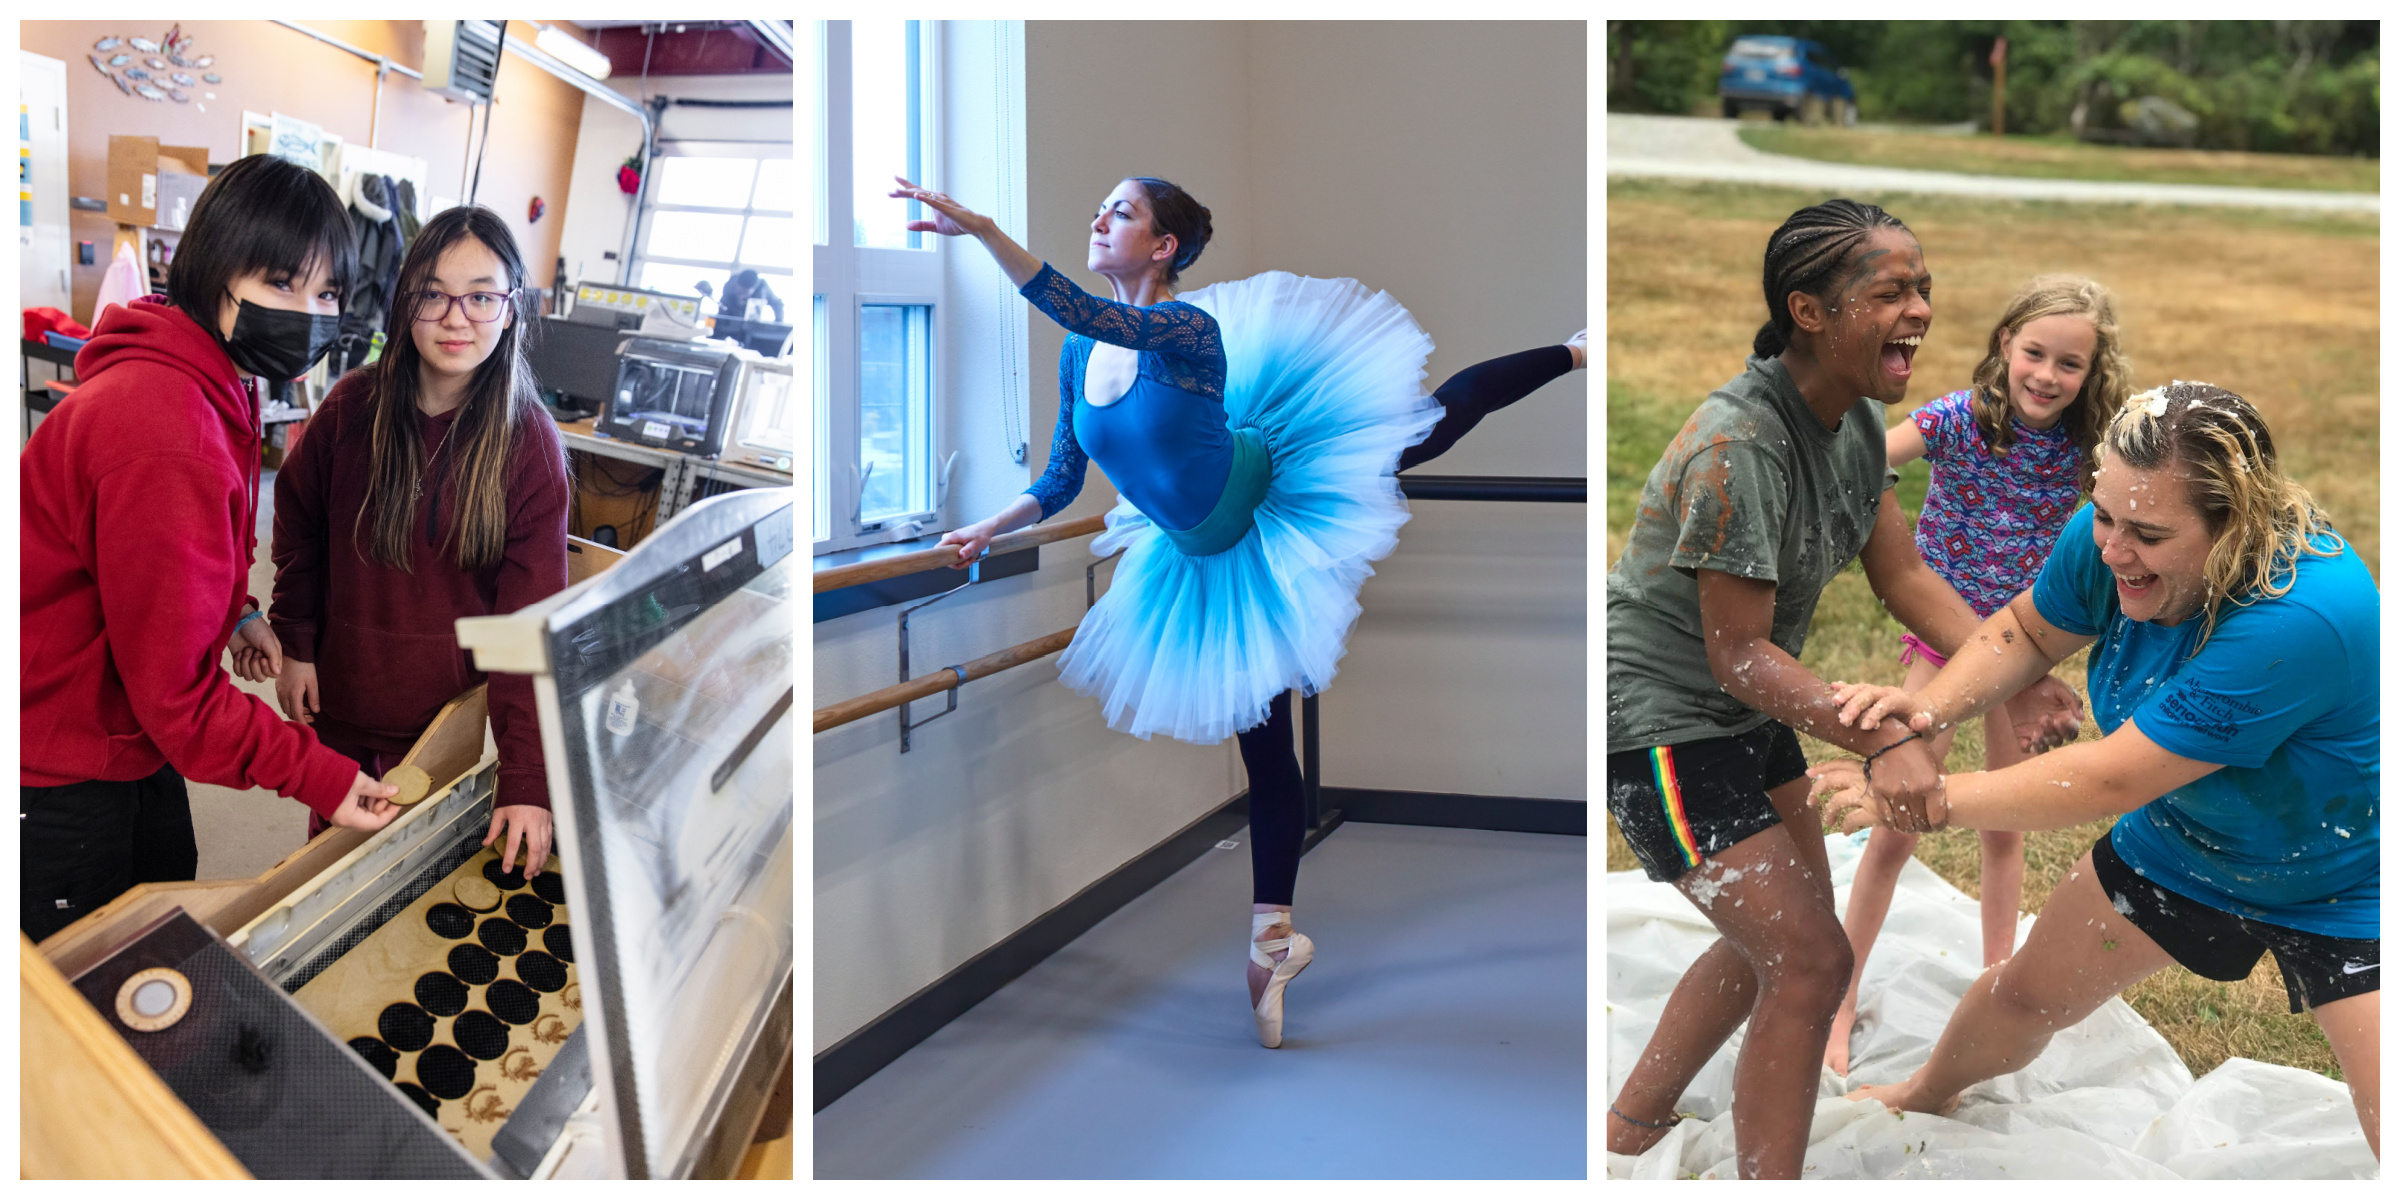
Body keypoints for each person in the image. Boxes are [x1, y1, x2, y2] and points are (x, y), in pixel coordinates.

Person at [893, 173, 1585, 1050]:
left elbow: (1090, 310)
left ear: (1162, 248)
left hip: (1270, 497)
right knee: (1264, 742)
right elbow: (1065, 476)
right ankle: (1275, 945)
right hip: (1195, 553)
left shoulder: (1184, 330)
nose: (1101, 216)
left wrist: (987, 230)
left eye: (1124, 211)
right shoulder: (1077, 355)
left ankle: (1571, 353)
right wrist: (995, 524)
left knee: (1435, 417)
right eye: (1104, 206)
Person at [1601, 199, 2084, 1178]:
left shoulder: (1854, 417)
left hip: (1748, 713)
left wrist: (2016, 679)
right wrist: (1875, 733)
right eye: (1891, 291)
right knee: (1813, 960)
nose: (1919, 310)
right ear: (1808, 311)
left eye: (1924, 289)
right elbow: (1736, 652)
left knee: (1779, 947)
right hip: (1658, 728)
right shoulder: (1740, 446)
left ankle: (1632, 1123)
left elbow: (1902, 577)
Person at [1811, 381, 2379, 1161]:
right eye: (2103, 513)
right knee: (2022, 997)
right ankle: (1925, 1092)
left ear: (2235, 520)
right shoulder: (2109, 533)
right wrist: (1927, 712)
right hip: (2189, 843)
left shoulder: (2304, 616)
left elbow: (2114, 779)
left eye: (2145, 532)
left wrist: (1927, 801)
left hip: (2352, 876)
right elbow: (2026, 633)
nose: (2111, 547)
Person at [21, 154, 402, 942]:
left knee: (164, 919)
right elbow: (182, 703)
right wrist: (324, 779)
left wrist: (236, 613)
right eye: (279, 284)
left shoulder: (211, 374)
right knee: (86, 992)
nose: (307, 312)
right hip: (58, 760)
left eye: (326, 293)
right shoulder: (166, 429)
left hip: (124, 727)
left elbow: (168, 556)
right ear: (211, 269)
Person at [1822, 274, 2133, 1075]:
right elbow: (1863, 458)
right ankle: (1840, 993)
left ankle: (1999, 982)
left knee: (2006, 825)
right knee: (1897, 820)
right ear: (2006, 344)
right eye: (2035, 353)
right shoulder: (1963, 418)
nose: (2047, 376)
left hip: (2026, 659)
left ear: (2090, 373)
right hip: (1944, 647)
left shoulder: (2086, 450)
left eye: (2069, 364)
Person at [262, 205, 571, 877]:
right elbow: (299, 534)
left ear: (512, 308)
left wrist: (526, 777)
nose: (456, 318)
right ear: (405, 304)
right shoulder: (350, 408)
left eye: (481, 297)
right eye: (433, 294)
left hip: (442, 724)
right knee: (331, 875)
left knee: (408, 877)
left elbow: (527, 626)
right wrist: (296, 644)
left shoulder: (530, 446)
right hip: (338, 701)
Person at [717, 267, 784, 323]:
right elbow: (721, 309)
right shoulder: (729, 286)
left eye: (745, 293)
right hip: (729, 322)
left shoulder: (763, 288)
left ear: (753, 289)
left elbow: (777, 304)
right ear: (736, 285)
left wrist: (778, 322)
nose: (742, 295)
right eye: (740, 292)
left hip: (751, 325)